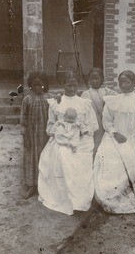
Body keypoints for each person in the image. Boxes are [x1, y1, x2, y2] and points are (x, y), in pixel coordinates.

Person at [38, 72, 98, 215]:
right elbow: (51, 125)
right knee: (61, 156)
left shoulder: (84, 103)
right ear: (62, 85)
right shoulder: (56, 103)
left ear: (79, 85)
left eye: (75, 85)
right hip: (61, 140)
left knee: (81, 162)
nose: (72, 88)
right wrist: (60, 134)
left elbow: (92, 125)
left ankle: (80, 201)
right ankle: (65, 200)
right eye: (68, 85)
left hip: (81, 141)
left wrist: (82, 133)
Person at [94, 70, 135, 214]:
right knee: (110, 161)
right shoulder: (113, 100)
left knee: (133, 160)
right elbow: (106, 120)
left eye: (127, 82)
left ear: (134, 83)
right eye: (121, 83)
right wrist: (114, 133)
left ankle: (131, 195)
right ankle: (110, 198)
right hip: (113, 137)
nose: (123, 85)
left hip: (132, 138)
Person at [20, 72, 50, 199]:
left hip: (45, 135)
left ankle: (44, 186)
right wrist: (25, 136)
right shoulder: (27, 99)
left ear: (44, 85)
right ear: (30, 86)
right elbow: (23, 119)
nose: (38, 88)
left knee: (45, 159)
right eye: (35, 85)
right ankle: (32, 185)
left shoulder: (49, 99)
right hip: (31, 135)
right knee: (31, 159)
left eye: (40, 85)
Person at [81, 68, 117, 157]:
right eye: (92, 78)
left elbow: (118, 98)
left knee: (106, 145)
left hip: (105, 122)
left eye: (97, 78)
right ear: (88, 79)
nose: (94, 81)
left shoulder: (107, 91)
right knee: (94, 145)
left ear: (102, 79)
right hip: (93, 123)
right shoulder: (85, 94)